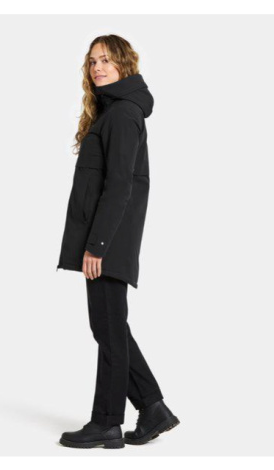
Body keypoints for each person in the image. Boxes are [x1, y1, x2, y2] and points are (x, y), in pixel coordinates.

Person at [56, 34, 180, 449]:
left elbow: (120, 186)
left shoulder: (124, 114)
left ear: (125, 64)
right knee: (110, 326)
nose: (98, 67)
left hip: (108, 241)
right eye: (93, 61)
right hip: (106, 238)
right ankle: (153, 407)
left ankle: (107, 421)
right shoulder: (114, 111)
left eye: (107, 60)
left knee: (108, 330)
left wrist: (98, 245)